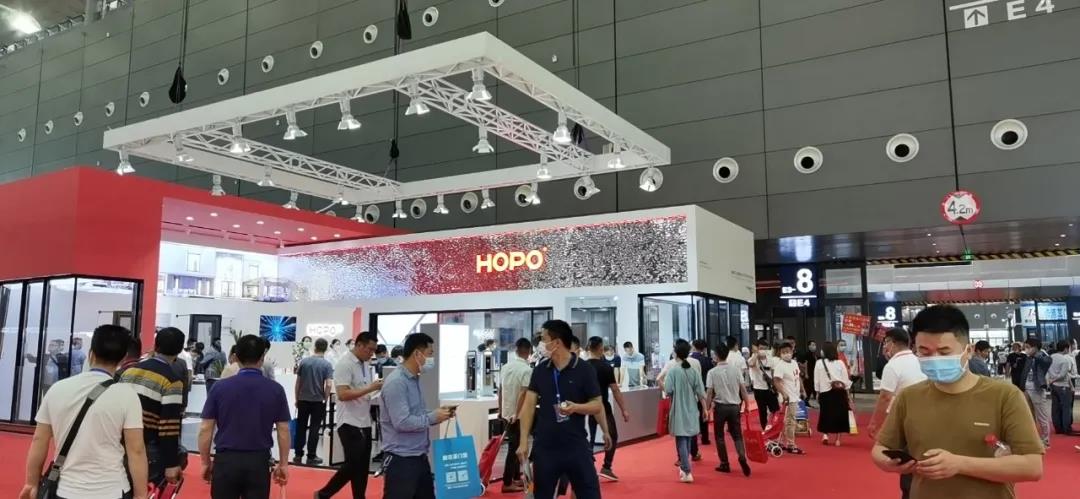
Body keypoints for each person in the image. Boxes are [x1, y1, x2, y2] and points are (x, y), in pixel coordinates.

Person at [872, 305, 1044, 498]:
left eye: (944, 352)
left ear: (968, 351)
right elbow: (880, 449)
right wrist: (889, 463)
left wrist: (960, 464)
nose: (934, 359)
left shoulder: (1005, 396)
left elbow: (1032, 467)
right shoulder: (908, 397)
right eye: (925, 352)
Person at [20, 325, 148, 499]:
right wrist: (141, 495)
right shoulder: (127, 395)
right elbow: (136, 450)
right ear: (123, 358)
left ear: (91, 354)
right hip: (112, 490)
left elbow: (39, 440)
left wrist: (31, 483)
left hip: (65, 489)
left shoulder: (58, 389)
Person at [516, 320, 606, 499]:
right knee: (542, 494)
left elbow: (597, 405)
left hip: (576, 445)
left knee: (589, 493)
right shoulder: (540, 370)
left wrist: (576, 407)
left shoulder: (584, 369)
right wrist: (523, 440)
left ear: (556, 342)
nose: (540, 344)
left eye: (543, 339)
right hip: (545, 447)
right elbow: (529, 406)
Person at [199, 335, 291, 499]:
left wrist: (205, 462)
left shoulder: (219, 388)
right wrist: (283, 464)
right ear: (262, 358)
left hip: (226, 460)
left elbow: (206, 428)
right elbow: (283, 430)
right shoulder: (275, 390)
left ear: (235, 357)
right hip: (259, 461)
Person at [379, 333, 454, 499]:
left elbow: (415, 414)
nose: (432, 359)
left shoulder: (413, 380)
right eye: (430, 354)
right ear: (417, 354)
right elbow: (402, 422)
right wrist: (432, 417)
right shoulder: (397, 382)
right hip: (401, 460)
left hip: (419, 456)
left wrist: (438, 414)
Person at [316, 331, 383, 499]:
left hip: (364, 420)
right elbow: (343, 394)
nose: (371, 353)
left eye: (373, 350)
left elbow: (362, 390)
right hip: (349, 422)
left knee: (362, 466)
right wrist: (370, 388)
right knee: (353, 464)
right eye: (369, 349)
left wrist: (374, 392)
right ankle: (323, 494)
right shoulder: (345, 364)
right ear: (359, 345)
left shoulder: (365, 365)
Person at [119, 327, 186, 487]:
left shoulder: (128, 372)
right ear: (179, 350)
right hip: (148, 448)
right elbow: (168, 426)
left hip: (120, 444)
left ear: (156, 346)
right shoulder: (172, 381)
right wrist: (171, 463)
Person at [866, 328, 926, 499]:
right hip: (927, 416)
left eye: (885, 343)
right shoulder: (919, 361)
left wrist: (874, 423)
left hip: (907, 420)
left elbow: (885, 397)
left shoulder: (893, 365)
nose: (885, 347)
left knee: (908, 464)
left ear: (892, 343)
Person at [586, 336, 630, 481]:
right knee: (612, 435)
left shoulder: (582, 367)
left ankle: (588, 468)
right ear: (600, 349)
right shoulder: (605, 367)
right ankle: (606, 466)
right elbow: (615, 390)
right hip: (603, 407)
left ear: (588, 348)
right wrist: (624, 409)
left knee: (589, 439)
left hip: (585, 407)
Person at [663, 339, 709, 483]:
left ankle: (687, 470)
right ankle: (684, 469)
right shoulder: (693, 370)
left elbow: (668, 390)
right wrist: (705, 409)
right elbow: (701, 392)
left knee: (681, 440)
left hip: (678, 409)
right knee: (688, 437)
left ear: (676, 353)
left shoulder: (673, 371)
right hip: (692, 407)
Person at [705, 345, 752, 477]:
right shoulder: (736, 370)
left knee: (719, 436)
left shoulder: (712, 372)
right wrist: (747, 404)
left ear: (716, 356)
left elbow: (709, 393)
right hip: (735, 406)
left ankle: (724, 463)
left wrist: (707, 408)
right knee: (737, 435)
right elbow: (743, 389)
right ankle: (742, 456)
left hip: (720, 407)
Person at [499, 338, 533, 493]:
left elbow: (501, 390)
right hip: (518, 415)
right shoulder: (527, 370)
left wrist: (501, 410)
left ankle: (515, 477)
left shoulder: (505, 367)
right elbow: (523, 393)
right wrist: (516, 413)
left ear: (516, 350)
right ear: (529, 351)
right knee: (514, 448)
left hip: (506, 412)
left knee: (515, 445)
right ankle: (507, 482)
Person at [294, 338, 335, 465]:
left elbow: (298, 383)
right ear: (326, 349)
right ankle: (311, 455)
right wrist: (325, 398)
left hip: (303, 399)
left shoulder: (304, 362)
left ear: (315, 347)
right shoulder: (327, 365)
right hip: (318, 400)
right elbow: (329, 384)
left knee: (301, 427)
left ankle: (298, 454)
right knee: (314, 428)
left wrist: (296, 398)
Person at [814, 342, 851, 446]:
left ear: (824, 351)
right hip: (840, 392)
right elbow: (845, 379)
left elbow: (816, 379)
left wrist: (817, 392)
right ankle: (838, 439)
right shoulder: (840, 363)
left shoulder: (819, 363)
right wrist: (847, 393)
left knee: (825, 414)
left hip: (825, 392)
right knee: (840, 415)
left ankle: (825, 435)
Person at [772, 341, 805, 455]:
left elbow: (797, 377)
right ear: (780, 353)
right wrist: (783, 393)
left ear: (792, 351)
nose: (786, 354)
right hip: (787, 398)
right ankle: (791, 444)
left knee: (788, 420)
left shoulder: (794, 363)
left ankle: (782, 441)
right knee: (790, 421)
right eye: (783, 352)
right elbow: (776, 381)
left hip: (795, 396)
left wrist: (802, 389)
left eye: (788, 351)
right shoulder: (780, 365)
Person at [1020, 337, 1052, 447]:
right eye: (1025, 347)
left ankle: (1046, 440)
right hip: (1026, 388)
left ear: (1035, 347)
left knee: (1042, 416)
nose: (1026, 349)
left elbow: (1047, 362)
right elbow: (1024, 372)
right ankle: (1033, 438)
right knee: (1028, 415)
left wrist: (1037, 354)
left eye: (1028, 347)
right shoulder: (1028, 358)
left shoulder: (1043, 356)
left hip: (1037, 389)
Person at [748, 338, 779, 430]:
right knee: (762, 411)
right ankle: (764, 428)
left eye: (765, 348)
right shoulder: (753, 358)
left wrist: (775, 386)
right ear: (757, 348)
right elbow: (751, 364)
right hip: (758, 389)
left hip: (770, 388)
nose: (763, 351)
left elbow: (773, 373)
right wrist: (756, 354)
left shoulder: (770, 359)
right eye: (761, 348)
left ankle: (773, 426)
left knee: (775, 409)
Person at [1048, 340, 1077, 436]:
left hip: (1053, 386)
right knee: (1066, 408)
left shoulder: (1051, 357)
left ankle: (1058, 428)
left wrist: (1051, 380)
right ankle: (1066, 428)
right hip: (1063, 386)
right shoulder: (1064, 360)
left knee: (1055, 407)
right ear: (1065, 348)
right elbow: (1063, 374)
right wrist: (1071, 386)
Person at [689, 339, 715, 446]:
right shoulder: (707, 360)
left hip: (691, 391)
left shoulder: (689, 360)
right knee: (704, 411)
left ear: (693, 346)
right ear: (704, 348)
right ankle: (705, 438)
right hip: (704, 389)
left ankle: (693, 437)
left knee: (692, 414)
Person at [800, 340, 820, 405]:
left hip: (814, 374)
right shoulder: (807, 354)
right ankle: (805, 402)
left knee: (814, 387)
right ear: (809, 346)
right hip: (809, 374)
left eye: (815, 345)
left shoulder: (815, 354)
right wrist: (806, 373)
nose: (814, 346)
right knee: (808, 388)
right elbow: (804, 364)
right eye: (813, 345)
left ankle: (816, 401)